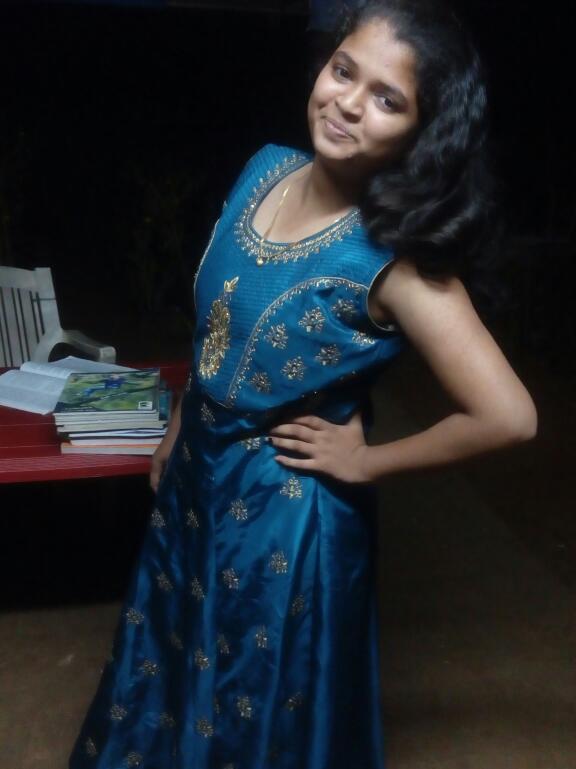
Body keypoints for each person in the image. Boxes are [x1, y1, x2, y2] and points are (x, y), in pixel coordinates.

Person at [68, 1, 537, 767]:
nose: (348, 102)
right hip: (197, 480)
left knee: (254, 708)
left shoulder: (398, 261)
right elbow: (220, 322)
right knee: (174, 671)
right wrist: (181, 423)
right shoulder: (265, 169)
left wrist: (367, 460)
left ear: (423, 132)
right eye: (344, 71)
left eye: (387, 99)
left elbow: (510, 415)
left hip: (283, 520)